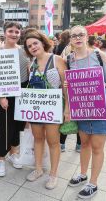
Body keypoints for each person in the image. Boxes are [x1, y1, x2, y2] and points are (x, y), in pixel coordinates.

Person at [66, 25, 106, 199]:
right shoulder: (69, 59)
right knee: (84, 144)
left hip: (101, 106)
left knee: (97, 147)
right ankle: (83, 174)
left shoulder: (99, 54)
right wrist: (66, 86)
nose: (77, 38)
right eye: (74, 36)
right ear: (70, 40)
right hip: (82, 107)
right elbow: (68, 85)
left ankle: (93, 183)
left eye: (81, 34)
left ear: (87, 36)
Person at [23, 29, 67, 189]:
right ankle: (38, 169)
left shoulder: (57, 60)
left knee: (53, 141)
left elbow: (66, 86)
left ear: (42, 42)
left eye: (35, 43)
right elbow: (31, 89)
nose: (33, 47)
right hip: (36, 109)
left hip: (53, 108)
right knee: (38, 139)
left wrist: (67, 109)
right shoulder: (32, 64)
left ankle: (53, 174)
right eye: (29, 46)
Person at [0, 21, 30, 177]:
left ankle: (14, 153)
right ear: (4, 32)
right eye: (11, 31)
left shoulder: (23, 50)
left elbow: (28, 70)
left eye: (17, 31)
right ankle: (1, 158)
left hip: (22, 91)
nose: (14, 34)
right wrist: (2, 96)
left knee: (18, 125)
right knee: (5, 127)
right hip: (4, 91)